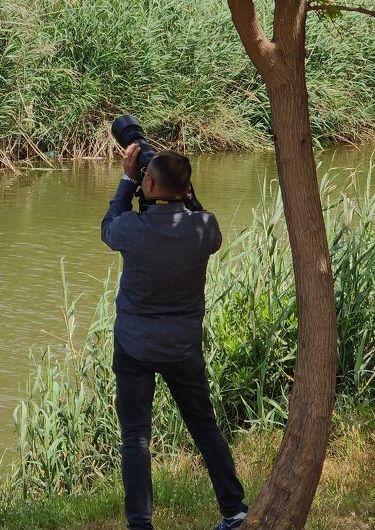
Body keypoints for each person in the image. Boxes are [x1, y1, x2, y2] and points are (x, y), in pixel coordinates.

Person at [101, 145, 247, 530]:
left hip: (134, 345)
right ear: (187, 188)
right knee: (204, 426)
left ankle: (140, 526)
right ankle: (233, 511)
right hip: (183, 347)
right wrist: (180, 192)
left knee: (135, 438)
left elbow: (108, 227)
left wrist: (127, 181)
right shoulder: (205, 229)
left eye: (145, 178)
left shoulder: (131, 229)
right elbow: (197, 213)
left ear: (148, 183)